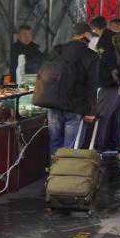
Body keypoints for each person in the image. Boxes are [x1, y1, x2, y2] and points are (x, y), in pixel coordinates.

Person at [45, 22, 98, 152]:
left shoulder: (57, 50)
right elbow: (92, 85)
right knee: (71, 146)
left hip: (54, 102)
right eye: (90, 36)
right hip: (75, 105)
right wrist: (91, 110)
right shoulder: (91, 55)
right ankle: (68, 165)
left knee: (54, 142)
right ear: (86, 35)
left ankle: (55, 164)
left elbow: (46, 73)